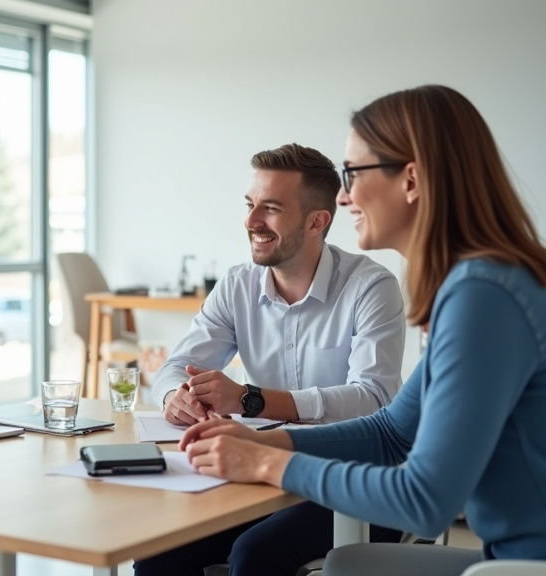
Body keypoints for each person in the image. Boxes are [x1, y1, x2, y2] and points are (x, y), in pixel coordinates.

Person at [179, 85, 546, 576]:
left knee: (338, 565)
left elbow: (423, 502)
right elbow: (393, 432)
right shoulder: (480, 282)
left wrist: (267, 466)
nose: (342, 195)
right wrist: (266, 443)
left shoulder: (485, 296)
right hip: (522, 558)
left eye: (353, 173)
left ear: (412, 180)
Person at [136, 143, 407, 576]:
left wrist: (252, 400)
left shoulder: (371, 287)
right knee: (157, 550)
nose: (250, 221)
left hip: (357, 482)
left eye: (271, 208)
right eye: (249, 205)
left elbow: (373, 400)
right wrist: (175, 396)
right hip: (264, 477)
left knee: (256, 554)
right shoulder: (238, 286)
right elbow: (175, 366)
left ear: (318, 221)